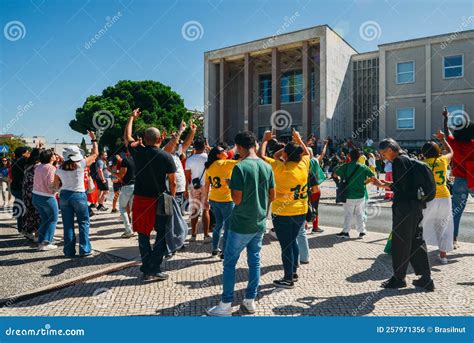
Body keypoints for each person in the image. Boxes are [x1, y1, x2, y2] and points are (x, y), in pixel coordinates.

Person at [206, 131, 275, 316]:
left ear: (240, 147)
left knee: (229, 264)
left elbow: (237, 200)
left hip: (241, 223)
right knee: (255, 262)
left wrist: (232, 185)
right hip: (259, 222)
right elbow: (273, 196)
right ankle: (249, 301)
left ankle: (226, 304)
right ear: (254, 144)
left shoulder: (240, 167)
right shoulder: (266, 166)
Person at [124, 108, 177, 282]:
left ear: (145, 140)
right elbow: (173, 182)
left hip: (140, 199)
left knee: (143, 234)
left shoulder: (138, 152)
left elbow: (127, 137)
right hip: (160, 199)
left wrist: (131, 117)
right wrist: (173, 198)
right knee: (161, 234)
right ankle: (153, 267)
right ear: (160, 139)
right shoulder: (166, 157)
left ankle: (147, 268)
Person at [375, 138, 434, 291]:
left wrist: (387, 186)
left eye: (383, 153)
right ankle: (426, 278)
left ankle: (399, 279)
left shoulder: (398, 162)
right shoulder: (409, 159)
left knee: (400, 242)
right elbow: (406, 185)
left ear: (389, 149)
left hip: (404, 208)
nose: (383, 157)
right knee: (416, 241)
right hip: (416, 206)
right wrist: (384, 185)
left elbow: (401, 188)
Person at [258, 129, 310, 289]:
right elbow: (306, 152)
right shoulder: (303, 164)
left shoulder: (279, 167)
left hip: (283, 213)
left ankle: (288, 278)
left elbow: (261, 156)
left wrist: (265, 140)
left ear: (285, 155)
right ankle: (293, 271)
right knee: (292, 241)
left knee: (286, 246)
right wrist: (298, 140)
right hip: (301, 211)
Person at [54, 131, 98, 257]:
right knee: (83, 222)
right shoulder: (82, 163)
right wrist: (94, 139)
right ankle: (85, 250)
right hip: (78, 195)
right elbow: (95, 154)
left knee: (68, 225)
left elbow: (55, 185)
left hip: (64, 196)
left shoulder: (59, 168)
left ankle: (69, 251)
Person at [442, 108, 474, 249]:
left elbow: (447, 132)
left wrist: (446, 118)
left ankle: (453, 240)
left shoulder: (453, 144)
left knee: (456, 211)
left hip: (460, 180)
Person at [421, 130, 454, 264]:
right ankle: (443, 256)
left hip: (429, 198)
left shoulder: (422, 164)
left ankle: (420, 254)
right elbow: (451, 151)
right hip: (445, 197)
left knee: (422, 225)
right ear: (438, 151)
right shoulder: (442, 160)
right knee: (444, 226)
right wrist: (443, 139)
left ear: (424, 153)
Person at [203, 146, 238, 257]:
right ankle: (224, 251)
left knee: (218, 224)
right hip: (226, 200)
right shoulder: (226, 163)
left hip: (213, 199)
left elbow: (206, 185)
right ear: (218, 155)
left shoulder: (209, 167)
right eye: (223, 151)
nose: (226, 152)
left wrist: (205, 200)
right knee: (228, 226)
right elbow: (242, 161)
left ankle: (214, 248)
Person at [333, 149, 375, 239]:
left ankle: (346, 232)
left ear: (349, 156)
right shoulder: (363, 167)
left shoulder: (345, 166)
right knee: (360, 213)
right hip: (360, 194)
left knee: (348, 214)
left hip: (348, 195)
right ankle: (362, 232)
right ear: (359, 157)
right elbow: (373, 177)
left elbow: (335, 175)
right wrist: (365, 182)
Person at [163, 119, 197, 213]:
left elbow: (186, 143)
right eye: (175, 139)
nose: (178, 142)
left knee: (177, 216)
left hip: (179, 191)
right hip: (170, 192)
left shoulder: (176, 153)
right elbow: (173, 143)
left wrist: (192, 131)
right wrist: (180, 130)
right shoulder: (165, 151)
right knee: (170, 216)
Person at [32, 149, 59, 251]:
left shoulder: (38, 167)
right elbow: (51, 184)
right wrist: (59, 188)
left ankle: (41, 240)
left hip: (36, 196)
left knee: (44, 219)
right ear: (51, 157)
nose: (55, 156)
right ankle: (47, 242)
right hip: (47, 197)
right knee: (53, 219)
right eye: (54, 155)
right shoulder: (51, 168)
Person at [185, 137, 211, 242]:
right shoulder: (208, 158)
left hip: (194, 186)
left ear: (194, 147)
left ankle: (193, 235)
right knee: (205, 209)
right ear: (204, 146)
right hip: (206, 185)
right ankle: (206, 235)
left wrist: (187, 189)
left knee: (194, 210)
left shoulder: (189, 159)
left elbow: (187, 176)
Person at [115, 148, 136, 238]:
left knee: (122, 208)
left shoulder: (126, 160)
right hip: (136, 186)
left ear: (128, 152)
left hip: (127, 186)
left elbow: (121, 175)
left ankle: (128, 230)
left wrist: (113, 172)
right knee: (132, 209)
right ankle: (134, 228)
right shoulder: (138, 159)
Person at [22, 148, 41, 242]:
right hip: (34, 191)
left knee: (29, 212)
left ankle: (28, 232)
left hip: (26, 191)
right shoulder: (38, 166)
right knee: (37, 214)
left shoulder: (28, 164)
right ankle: (37, 235)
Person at [10, 147, 30, 233]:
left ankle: (20, 227)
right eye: (27, 152)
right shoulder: (22, 161)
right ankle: (22, 228)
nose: (28, 153)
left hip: (14, 187)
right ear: (23, 153)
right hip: (20, 187)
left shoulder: (14, 161)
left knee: (19, 205)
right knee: (23, 207)